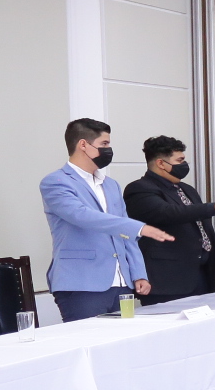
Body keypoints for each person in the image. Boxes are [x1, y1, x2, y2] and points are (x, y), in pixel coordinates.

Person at [42, 118, 173, 320]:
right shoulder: (56, 182)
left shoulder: (111, 184)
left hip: (122, 283)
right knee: (89, 337)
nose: (108, 150)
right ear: (83, 144)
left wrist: (138, 272)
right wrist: (140, 228)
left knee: (124, 339)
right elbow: (82, 215)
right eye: (104, 144)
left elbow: (124, 233)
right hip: (82, 283)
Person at [123, 136, 215, 304]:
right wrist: (214, 207)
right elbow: (167, 213)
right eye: (179, 161)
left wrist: (213, 267)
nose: (184, 165)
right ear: (161, 163)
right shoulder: (139, 189)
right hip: (168, 279)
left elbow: (204, 228)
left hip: (200, 273)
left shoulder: (187, 189)